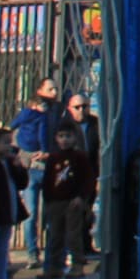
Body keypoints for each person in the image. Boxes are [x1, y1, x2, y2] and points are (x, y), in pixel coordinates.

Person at [34, 124, 92, 279]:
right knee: (54, 235)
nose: (64, 140)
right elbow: (48, 180)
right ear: (56, 138)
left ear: (74, 137)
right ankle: (53, 266)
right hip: (55, 201)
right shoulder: (53, 158)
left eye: (68, 136)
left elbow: (87, 179)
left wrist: (81, 197)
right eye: (61, 136)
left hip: (72, 201)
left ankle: (77, 265)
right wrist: (47, 200)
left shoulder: (80, 157)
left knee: (73, 235)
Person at [10, 78, 55, 266]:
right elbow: (38, 135)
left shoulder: (51, 113)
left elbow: (14, 127)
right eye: (50, 89)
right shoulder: (37, 116)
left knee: (46, 212)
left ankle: (45, 253)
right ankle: (34, 253)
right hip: (34, 165)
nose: (54, 92)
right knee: (35, 212)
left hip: (39, 164)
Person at [60, 93, 99, 257]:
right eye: (77, 107)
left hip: (91, 174)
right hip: (72, 176)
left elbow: (100, 148)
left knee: (87, 212)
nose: (81, 110)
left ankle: (85, 246)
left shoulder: (95, 123)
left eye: (85, 106)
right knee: (72, 213)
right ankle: (71, 249)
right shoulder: (65, 127)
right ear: (70, 108)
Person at [0, 128, 23, 279]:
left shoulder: (7, 161)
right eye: (6, 142)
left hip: (8, 208)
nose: (10, 146)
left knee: (3, 246)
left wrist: (18, 166)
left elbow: (22, 183)